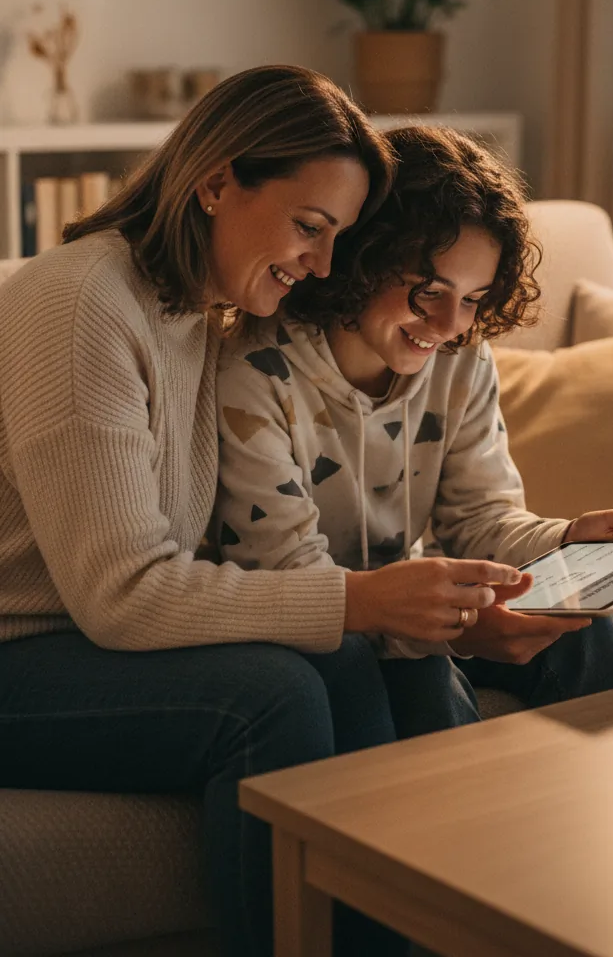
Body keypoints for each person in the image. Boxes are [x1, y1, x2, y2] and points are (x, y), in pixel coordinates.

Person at [0, 68, 524, 957]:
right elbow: (123, 594)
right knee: (270, 696)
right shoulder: (83, 303)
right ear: (214, 182)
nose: (322, 265)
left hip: (82, 637)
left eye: (339, 239)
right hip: (24, 648)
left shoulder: (198, 310)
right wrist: (358, 601)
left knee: (358, 663)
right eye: (309, 228)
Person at [213, 125, 613, 730]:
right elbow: (288, 577)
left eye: (472, 298)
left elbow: (479, 518)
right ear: (363, 258)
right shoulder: (255, 371)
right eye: (427, 292)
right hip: (310, 623)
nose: (447, 324)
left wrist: (567, 541)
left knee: (586, 630)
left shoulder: (459, 359)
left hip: (408, 606)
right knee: (425, 678)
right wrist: (457, 628)